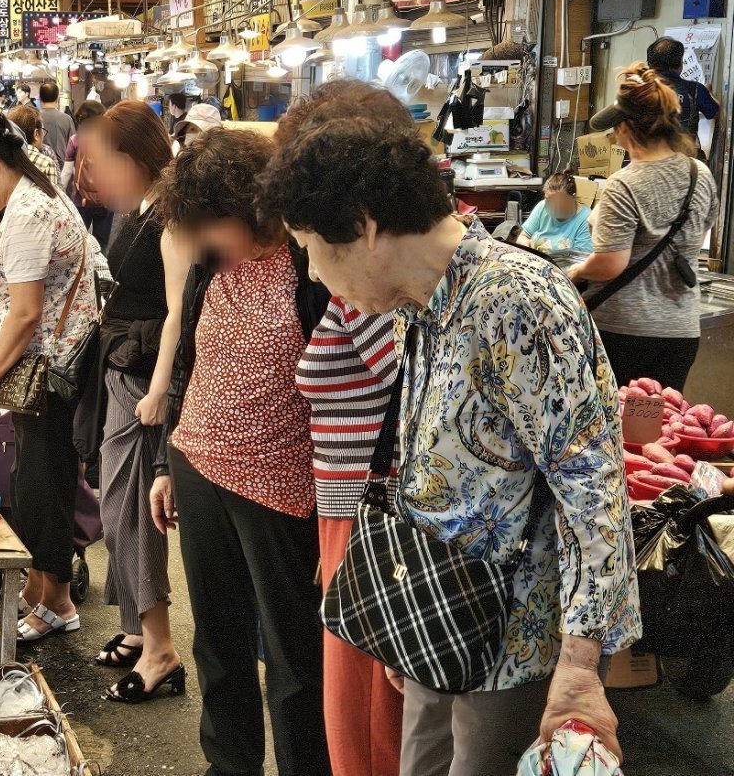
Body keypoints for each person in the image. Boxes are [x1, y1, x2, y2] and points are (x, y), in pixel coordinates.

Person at [260, 79, 640, 776]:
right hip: (443, 625)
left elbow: (596, 490)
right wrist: (412, 620)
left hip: (511, 643)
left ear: (364, 224)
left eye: (312, 246)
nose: (315, 271)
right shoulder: (425, 301)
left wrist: (583, 662)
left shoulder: (515, 299)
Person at [152, 128, 332, 776]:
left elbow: (344, 395)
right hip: (198, 465)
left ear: (251, 209)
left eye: (212, 222)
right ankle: (227, 766)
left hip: (282, 485)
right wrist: (162, 461)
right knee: (217, 640)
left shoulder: (311, 270)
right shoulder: (211, 264)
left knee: (293, 655)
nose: (203, 239)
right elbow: (188, 363)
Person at [272, 83, 404, 776]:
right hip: (348, 511)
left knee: (370, 728)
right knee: (356, 723)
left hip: (372, 521)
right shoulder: (358, 279)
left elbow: (406, 410)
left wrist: (358, 537)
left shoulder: (375, 288)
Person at [0, 113, 103, 645]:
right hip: (50, 364)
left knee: (47, 482)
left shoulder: (30, 212)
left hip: (50, 368)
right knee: (34, 480)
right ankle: (38, 590)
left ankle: (58, 600)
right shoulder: (34, 198)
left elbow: (25, 312)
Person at [76, 100, 183, 703]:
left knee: (135, 513)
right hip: (122, 371)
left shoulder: (170, 218)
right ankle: (137, 631)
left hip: (144, 382)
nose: (97, 177)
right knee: (116, 508)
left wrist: (162, 391)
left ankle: (162, 647)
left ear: (134, 157)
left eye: (104, 162)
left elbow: (178, 314)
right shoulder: (136, 210)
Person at [568, 62, 718, 390]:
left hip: (623, 332)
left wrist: (577, 272)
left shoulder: (625, 183)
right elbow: (698, 238)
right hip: (680, 332)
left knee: (615, 429)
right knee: (658, 428)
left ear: (626, 127)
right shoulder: (699, 173)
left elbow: (610, 264)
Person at [646, 36, 720, 156]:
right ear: (680, 64)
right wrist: (709, 93)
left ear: (650, 65)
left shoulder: (637, 91)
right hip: (684, 163)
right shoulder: (696, 90)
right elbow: (716, 113)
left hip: (645, 163)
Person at [61, 100, 113, 248]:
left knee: (80, 243)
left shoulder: (75, 140)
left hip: (81, 199)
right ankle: (100, 269)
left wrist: (60, 195)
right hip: (107, 199)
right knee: (101, 243)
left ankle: (84, 269)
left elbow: (66, 173)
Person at [516, 170, 593, 268]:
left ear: (573, 198)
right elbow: (522, 236)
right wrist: (526, 243)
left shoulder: (585, 219)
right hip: (533, 265)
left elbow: (581, 264)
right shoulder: (542, 207)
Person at [8, 105, 59, 170]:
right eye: (42, 130)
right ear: (36, 134)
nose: (43, 134)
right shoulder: (47, 157)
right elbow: (57, 179)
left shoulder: (3, 157)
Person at [38, 81, 74, 163]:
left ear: (40, 98)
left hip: (38, 165)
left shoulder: (33, 117)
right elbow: (73, 147)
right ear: (57, 99)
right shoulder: (67, 119)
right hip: (61, 167)